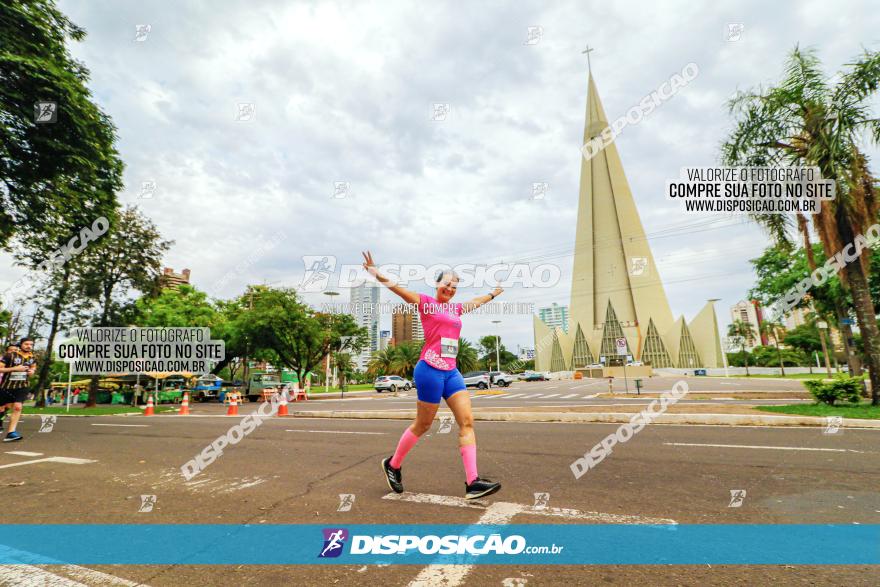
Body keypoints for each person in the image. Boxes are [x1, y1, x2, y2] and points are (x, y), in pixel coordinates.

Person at [363, 251, 504, 500]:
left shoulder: (457, 310)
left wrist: (493, 293)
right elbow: (399, 290)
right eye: (446, 284)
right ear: (437, 284)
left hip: (451, 372)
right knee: (424, 424)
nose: (450, 288)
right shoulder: (427, 302)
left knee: (467, 422)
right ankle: (393, 465)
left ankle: (472, 482)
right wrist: (376, 273)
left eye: (454, 286)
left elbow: (477, 301)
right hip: (429, 370)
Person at [0, 338, 37, 442]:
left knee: (17, 407)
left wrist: (32, 371)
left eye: (31, 344)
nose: (29, 346)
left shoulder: (33, 357)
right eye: (26, 344)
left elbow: (33, 366)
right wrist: (14, 369)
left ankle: (11, 433)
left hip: (22, 386)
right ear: (21, 345)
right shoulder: (9, 355)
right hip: (6, 387)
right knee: (2, 408)